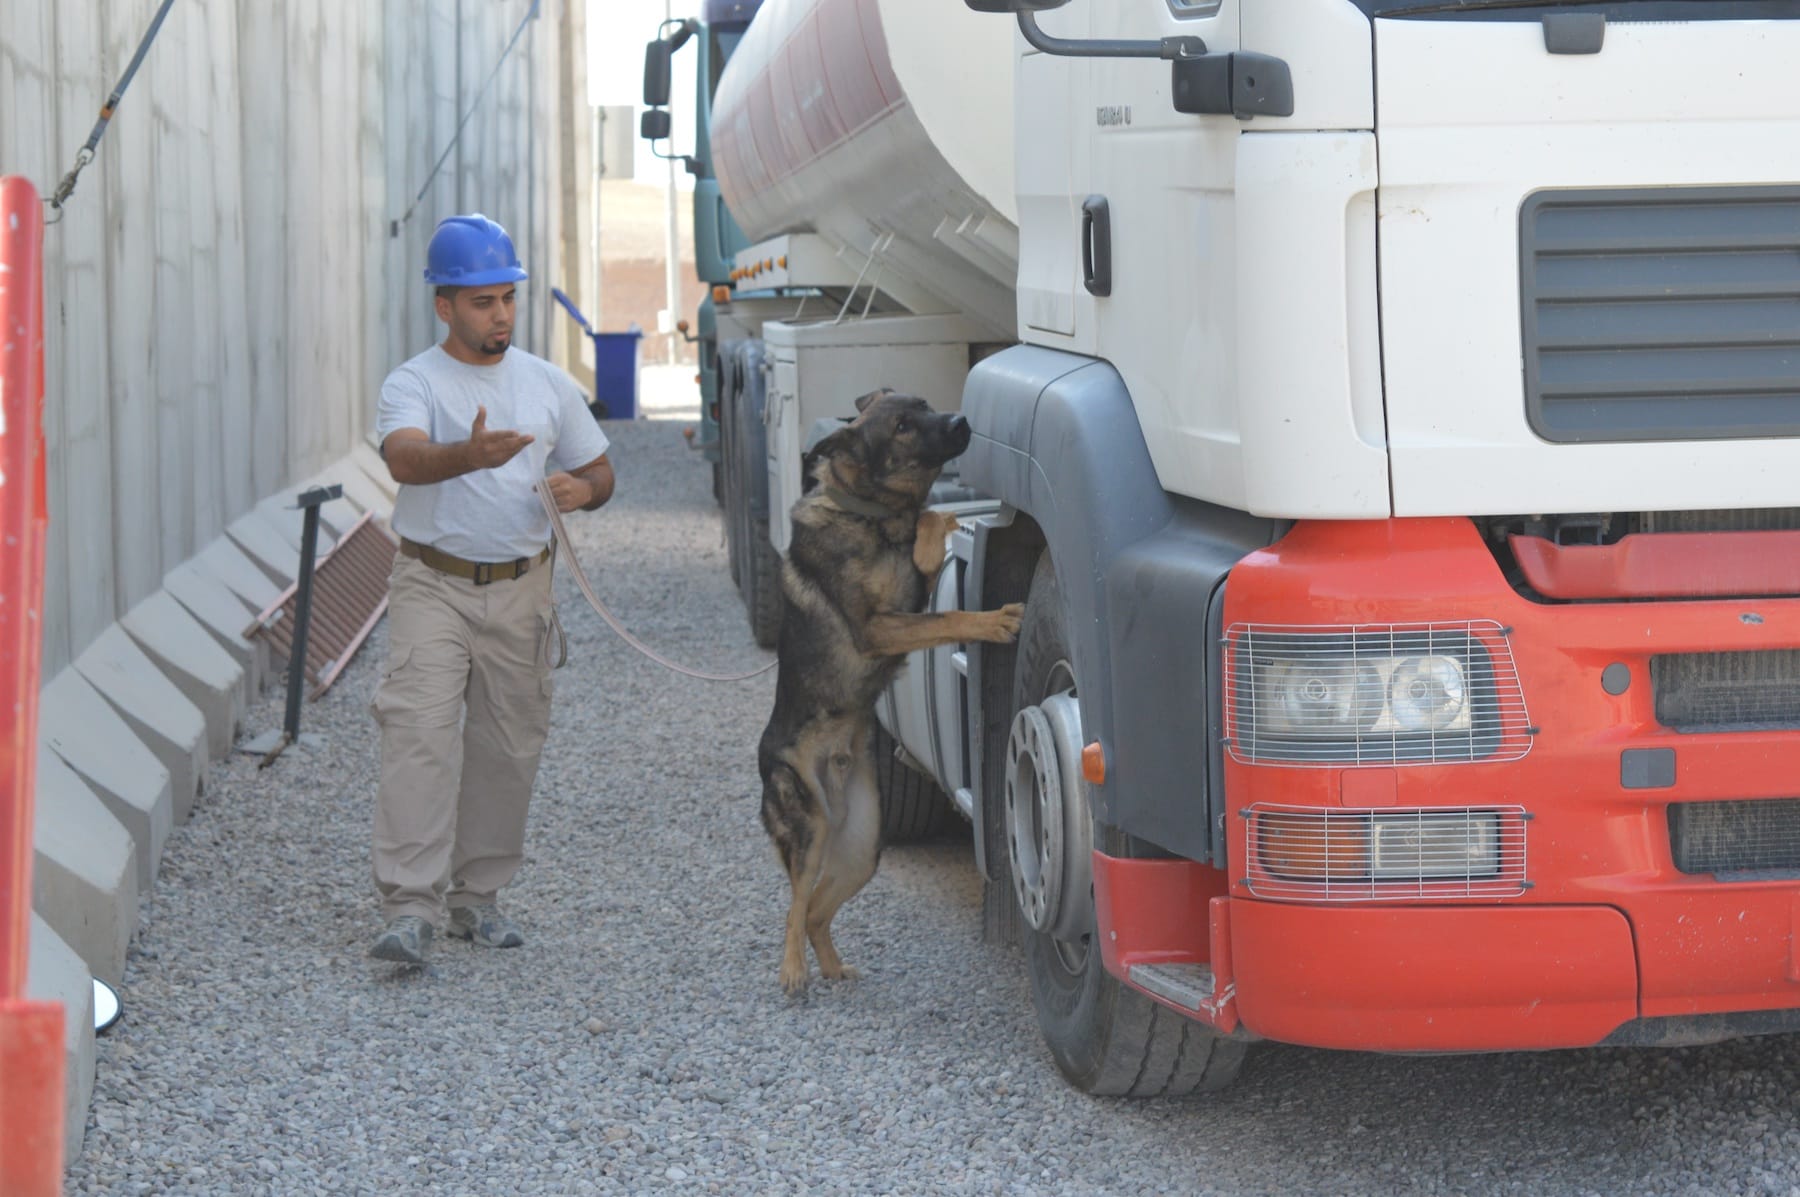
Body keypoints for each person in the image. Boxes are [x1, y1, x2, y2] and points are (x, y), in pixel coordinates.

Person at [368, 213, 614, 964]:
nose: (500, 313)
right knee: (420, 738)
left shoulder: (547, 385)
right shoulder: (414, 382)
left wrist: (583, 488)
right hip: (432, 585)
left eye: (506, 297)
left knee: (509, 747)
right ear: (444, 305)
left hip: (520, 591)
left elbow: (602, 470)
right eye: (482, 301)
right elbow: (404, 459)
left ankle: (477, 900)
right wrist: (467, 456)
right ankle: (411, 906)